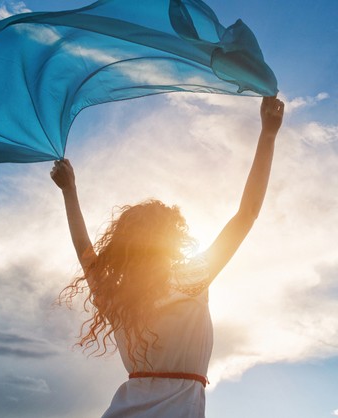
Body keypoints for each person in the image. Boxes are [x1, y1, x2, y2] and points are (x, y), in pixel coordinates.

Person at [50, 96, 284, 417]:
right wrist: (268, 135)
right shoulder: (190, 278)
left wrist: (69, 191)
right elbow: (246, 215)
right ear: (173, 240)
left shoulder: (118, 299)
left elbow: (85, 253)